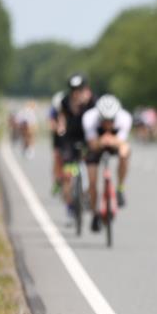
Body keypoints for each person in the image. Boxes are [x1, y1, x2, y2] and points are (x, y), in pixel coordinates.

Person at [82, 94, 133, 232]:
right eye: (105, 120)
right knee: (92, 182)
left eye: (111, 120)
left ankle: (120, 188)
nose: (108, 123)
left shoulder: (125, 118)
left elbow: (122, 142)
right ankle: (94, 213)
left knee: (125, 152)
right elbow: (92, 144)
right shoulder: (89, 118)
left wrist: (110, 140)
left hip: (113, 144)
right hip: (96, 146)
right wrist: (102, 140)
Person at [56, 74, 95, 212]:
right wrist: (61, 127)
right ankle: (69, 204)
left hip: (88, 137)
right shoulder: (66, 101)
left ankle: (87, 193)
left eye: (79, 89)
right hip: (70, 138)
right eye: (73, 89)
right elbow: (61, 117)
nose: (76, 92)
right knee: (67, 173)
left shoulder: (92, 101)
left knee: (90, 168)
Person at [48, 90, 66, 195]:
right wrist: (57, 128)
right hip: (58, 138)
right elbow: (50, 123)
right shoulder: (53, 111)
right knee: (57, 156)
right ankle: (57, 180)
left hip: (69, 137)